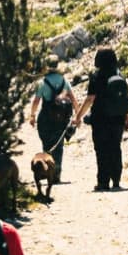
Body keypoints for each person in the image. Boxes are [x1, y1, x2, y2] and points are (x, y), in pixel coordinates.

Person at [73, 46, 128, 191]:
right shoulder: (120, 75)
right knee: (115, 149)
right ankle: (116, 181)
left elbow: (90, 99)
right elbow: (124, 99)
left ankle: (103, 182)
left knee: (102, 150)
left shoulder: (96, 76)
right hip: (117, 118)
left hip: (100, 119)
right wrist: (127, 118)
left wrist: (78, 116)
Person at [27, 56, 77, 184]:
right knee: (59, 147)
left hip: (45, 118)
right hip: (61, 119)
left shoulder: (42, 82)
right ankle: (56, 174)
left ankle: (47, 170)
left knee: (47, 145)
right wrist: (77, 116)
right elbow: (73, 99)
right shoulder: (64, 81)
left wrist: (32, 116)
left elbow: (36, 101)